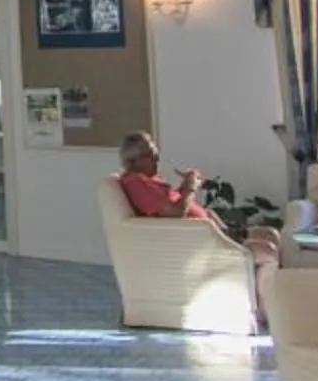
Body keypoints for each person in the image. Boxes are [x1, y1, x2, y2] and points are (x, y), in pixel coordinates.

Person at [113, 130, 285, 307]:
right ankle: (269, 306)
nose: (157, 158)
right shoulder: (137, 183)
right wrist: (190, 188)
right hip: (202, 243)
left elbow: (171, 208)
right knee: (268, 250)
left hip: (216, 233)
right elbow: (175, 214)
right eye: (150, 154)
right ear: (131, 162)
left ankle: (273, 299)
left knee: (271, 234)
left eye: (156, 152)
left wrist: (184, 187)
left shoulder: (148, 180)